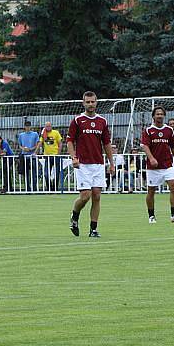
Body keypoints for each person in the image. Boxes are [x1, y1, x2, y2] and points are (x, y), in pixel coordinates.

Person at [66, 91, 115, 238]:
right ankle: (75, 216)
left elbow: (106, 143)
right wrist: (74, 157)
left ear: (96, 102)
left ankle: (93, 229)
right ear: (83, 103)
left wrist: (111, 163)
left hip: (98, 164)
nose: (90, 104)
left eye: (92, 101)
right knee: (85, 196)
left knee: (97, 196)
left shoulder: (102, 121)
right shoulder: (77, 120)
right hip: (83, 164)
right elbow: (69, 141)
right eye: (87, 102)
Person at [141, 106, 174, 223]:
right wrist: (151, 158)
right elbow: (145, 146)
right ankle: (151, 216)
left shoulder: (169, 130)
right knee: (151, 191)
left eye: (161, 114)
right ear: (153, 116)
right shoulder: (148, 130)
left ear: (164, 115)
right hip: (153, 167)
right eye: (157, 114)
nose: (159, 116)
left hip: (167, 165)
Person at [17, 119, 40, 191]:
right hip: (24, 155)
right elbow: (20, 145)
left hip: (32, 156)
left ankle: (34, 187)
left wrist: (31, 149)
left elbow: (37, 144)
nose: (27, 127)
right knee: (25, 173)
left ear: (30, 126)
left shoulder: (35, 134)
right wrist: (24, 149)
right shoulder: (21, 135)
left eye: (29, 126)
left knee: (34, 172)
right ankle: (27, 187)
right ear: (24, 127)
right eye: (26, 126)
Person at [40, 122, 63, 191]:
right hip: (47, 157)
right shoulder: (43, 133)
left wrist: (58, 154)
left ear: (51, 126)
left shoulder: (56, 132)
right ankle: (49, 188)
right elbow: (40, 143)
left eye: (49, 126)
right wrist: (36, 152)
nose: (48, 127)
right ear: (45, 127)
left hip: (55, 156)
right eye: (47, 126)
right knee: (46, 174)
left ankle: (55, 188)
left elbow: (60, 143)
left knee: (56, 174)